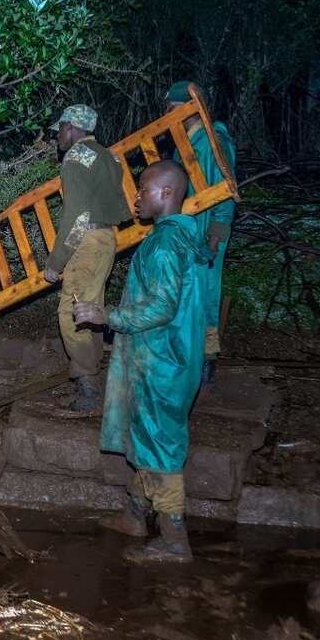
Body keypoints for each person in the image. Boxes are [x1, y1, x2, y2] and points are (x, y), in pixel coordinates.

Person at [74, 160, 210, 563]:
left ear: (167, 192)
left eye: (143, 189)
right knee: (151, 436)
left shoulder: (165, 244)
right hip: (176, 356)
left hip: (160, 359)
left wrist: (107, 316)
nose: (136, 197)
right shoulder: (187, 237)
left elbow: (162, 307)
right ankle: (134, 514)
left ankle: (174, 539)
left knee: (161, 445)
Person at [40, 104, 132, 412]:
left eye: (60, 131)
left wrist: (56, 261)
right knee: (91, 308)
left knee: (71, 313)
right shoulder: (108, 157)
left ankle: (87, 384)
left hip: (87, 241)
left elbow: (77, 217)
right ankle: (92, 376)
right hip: (107, 239)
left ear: (71, 127)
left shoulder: (76, 159)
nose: (58, 138)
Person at [165, 81, 236, 384]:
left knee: (205, 291)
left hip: (207, 232)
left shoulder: (213, 141)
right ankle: (183, 356)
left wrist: (216, 236)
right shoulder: (186, 141)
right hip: (187, 230)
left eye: (171, 108)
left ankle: (206, 360)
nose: (166, 114)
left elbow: (226, 190)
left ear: (189, 108)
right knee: (183, 292)